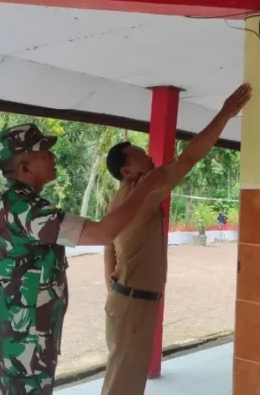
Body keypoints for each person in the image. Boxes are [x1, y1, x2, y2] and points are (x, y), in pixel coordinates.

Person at [0, 122, 170, 394]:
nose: (54, 157)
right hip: (21, 336)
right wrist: (146, 185)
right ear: (24, 167)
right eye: (45, 153)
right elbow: (103, 233)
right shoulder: (26, 208)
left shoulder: (5, 199)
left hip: (12, 326)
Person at [100, 83, 251, 395]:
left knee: (123, 377)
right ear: (127, 172)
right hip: (132, 301)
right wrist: (225, 114)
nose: (152, 160)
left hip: (127, 298)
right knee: (124, 382)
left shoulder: (121, 198)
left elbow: (108, 248)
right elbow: (191, 155)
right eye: (143, 157)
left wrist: (116, 289)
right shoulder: (145, 188)